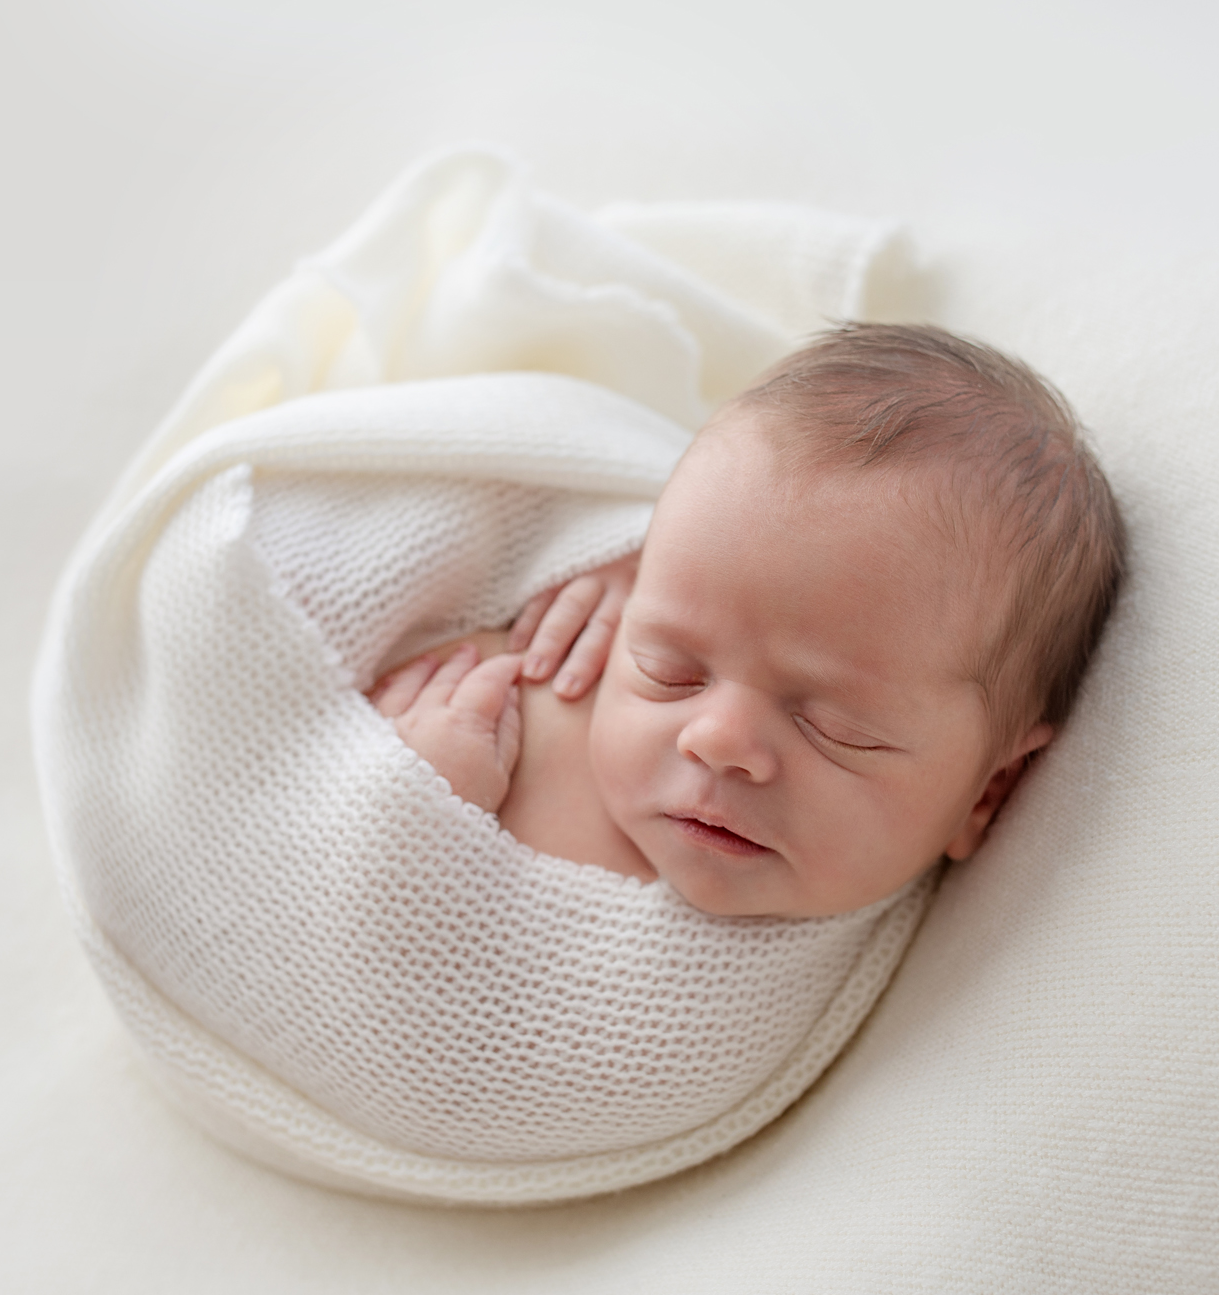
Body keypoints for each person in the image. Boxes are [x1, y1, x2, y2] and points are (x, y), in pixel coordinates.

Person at [368, 324, 1124, 918]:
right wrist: (609, 546)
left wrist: (409, 814)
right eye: (670, 668)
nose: (719, 738)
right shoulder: (604, 608)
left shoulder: (774, 971)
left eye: (837, 727)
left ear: (988, 789)